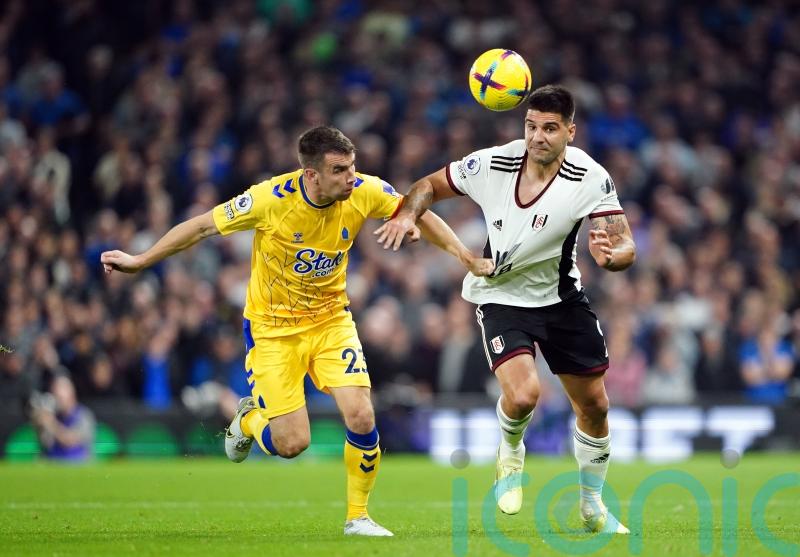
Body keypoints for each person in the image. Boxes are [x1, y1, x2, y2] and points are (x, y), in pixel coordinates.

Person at [101, 125, 493, 537]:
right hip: (272, 332)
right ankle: (249, 419)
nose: (351, 177)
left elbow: (419, 212)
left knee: (361, 413)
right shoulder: (270, 200)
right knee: (291, 444)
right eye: (340, 170)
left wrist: (464, 256)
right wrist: (142, 260)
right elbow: (201, 227)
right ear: (311, 175)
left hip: (331, 323)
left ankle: (357, 516)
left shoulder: (364, 190)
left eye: (352, 167)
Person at [376, 85, 636, 534]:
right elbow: (426, 186)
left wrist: (614, 258)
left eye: (550, 128)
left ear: (570, 131)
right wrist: (405, 214)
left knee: (594, 407)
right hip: (500, 296)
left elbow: (624, 240)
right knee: (523, 395)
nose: (537, 137)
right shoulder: (493, 162)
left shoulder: (590, 176)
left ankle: (592, 505)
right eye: (531, 126)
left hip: (561, 299)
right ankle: (511, 452)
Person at [31, 375, 96, 461]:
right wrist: (39, 424)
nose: (57, 400)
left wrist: (50, 422)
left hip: (78, 462)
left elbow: (70, 440)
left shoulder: (84, 415)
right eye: (55, 396)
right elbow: (45, 443)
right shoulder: (53, 415)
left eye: (60, 397)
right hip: (53, 462)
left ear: (71, 394)